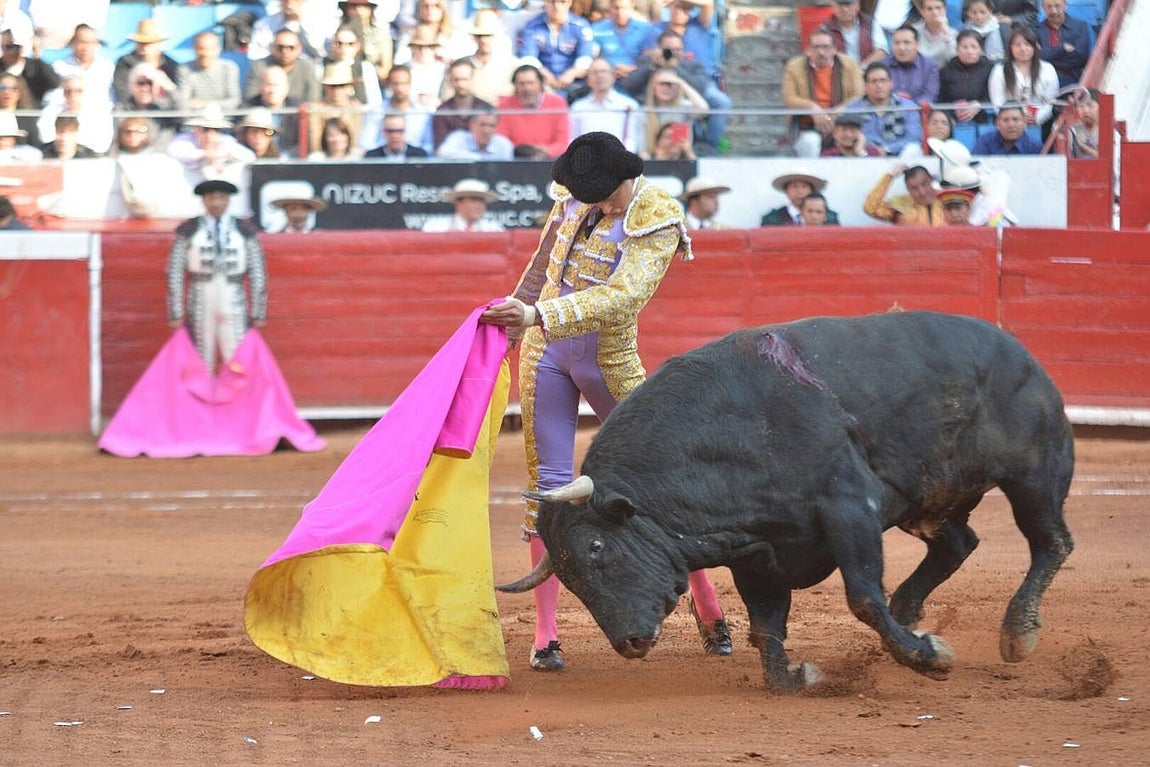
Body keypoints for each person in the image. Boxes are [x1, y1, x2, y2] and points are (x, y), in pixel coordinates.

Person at [478, 132, 731, 672]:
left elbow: (625, 296)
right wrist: (516, 314)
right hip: (545, 353)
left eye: (599, 192)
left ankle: (709, 610)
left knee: (662, 487)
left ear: (623, 177)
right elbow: (543, 266)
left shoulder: (656, 213)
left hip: (609, 363)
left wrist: (538, 316)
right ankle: (546, 635)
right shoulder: (572, 199)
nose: (589, 202)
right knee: (545, 488)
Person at [168, 180, 267, 372]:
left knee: (236, 352)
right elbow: (175, 271)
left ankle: (236, 400)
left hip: (234, 294)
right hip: (200, 294)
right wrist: (176, 311)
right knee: (200, 353)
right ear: (203, 200)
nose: (216, 203)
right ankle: (202, 399)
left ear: (228, 200)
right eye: (211, 198)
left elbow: (257, 271)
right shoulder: (188, 229)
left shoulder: (244, 229)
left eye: (221, 197)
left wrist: (258, 311)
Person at [781, 28, 864, 158]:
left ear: (834, 49)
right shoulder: (794, 66)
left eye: (826, 47)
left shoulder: (849, 64)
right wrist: (813, 108)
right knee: (810, 143)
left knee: (860, 142)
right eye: (816, 47)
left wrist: (836, 113)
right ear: (808, 50)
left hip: (844, 124)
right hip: (809, 126)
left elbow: (859, 95)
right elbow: (789, 98)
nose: (821, 52)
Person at [515, 0, 594, 99]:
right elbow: (528, 57)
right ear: (546, 2)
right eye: (552, 2)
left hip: (574, 83)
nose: (557, 6)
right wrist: (546, 76)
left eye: (562, 2)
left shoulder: (581, 25)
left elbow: (586, 58)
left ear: (569, 2)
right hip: (542, 82)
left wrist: (570, 74)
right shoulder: (533, 26)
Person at [846, 62, 923, 156]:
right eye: (874, 81)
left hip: (899, 155)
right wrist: (872, 151)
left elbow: (914, 137)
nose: (879, 85)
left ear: (891, 84)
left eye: (883, 80)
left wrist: (887, 149)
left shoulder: (907, 106)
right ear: (865, 86)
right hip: (866, 156)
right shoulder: (853, 108)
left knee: (913, 148)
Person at [568, 56, 643, 152]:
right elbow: (572, 139)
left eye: (603, 72)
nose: (599, 76)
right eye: (594, 73)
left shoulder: (629, 105)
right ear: (588, 80)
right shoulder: (578, 108)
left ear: (613, 76)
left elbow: (632, 139)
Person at [987, 26, 1058, 126]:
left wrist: (1037, 117)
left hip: (1041, 122)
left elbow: (1051, 101)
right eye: (1018, 45)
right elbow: (997, 102)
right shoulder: (999, 70)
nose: (1023, 49)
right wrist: (1017, 118)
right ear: (1010, 47)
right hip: (1009, 122)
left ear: (1035, 47)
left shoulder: (1048, 68)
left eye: (1027, 44)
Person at [496, 64, 570, 158]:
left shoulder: (558, 104)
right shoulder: (505, 106)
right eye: (522, 84)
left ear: (540, 83)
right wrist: (524, 152)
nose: (527, 88)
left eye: (531, 83)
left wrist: (546, 151)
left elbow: (562, 141)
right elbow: (502, 140)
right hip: (516, 159)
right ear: (515, 85)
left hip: (550, 161)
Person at [112, 19, 181, 107]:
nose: (145, 48)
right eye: (141, 43)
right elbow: (122, 94)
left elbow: (179, 99)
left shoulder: (171, 65)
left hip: (164, 114)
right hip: (133, 113)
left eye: (150, 43)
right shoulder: (125, 63)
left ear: (159, 44)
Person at [641, 67, 708, 157]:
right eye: (662, 84)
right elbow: (642, 149)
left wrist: (681, 82)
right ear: (653, 86)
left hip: (679, 158)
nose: (666, 88)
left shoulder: (684, 107)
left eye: (671, 85)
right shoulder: (644, 112)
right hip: (652, 157)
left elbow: (704, 110)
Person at [245, 29, 322, 105]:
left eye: (291, 48)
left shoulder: (307, 67)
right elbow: (250, 99)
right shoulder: (259, 66)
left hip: (299, 115)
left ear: (299, 49)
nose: (285, 52)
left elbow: (313, 101)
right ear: (272, 47)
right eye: (280, 47)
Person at [432, 58, 494, 150]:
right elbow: (440, 148)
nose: (460, 84)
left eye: (464, 79)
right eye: (456, 80)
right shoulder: (443, 111)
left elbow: (494, 142)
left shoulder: (487, 109)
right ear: (450, 81)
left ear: (472, 79)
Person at [1030, 0, 1093, 89]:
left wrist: (1048, 56)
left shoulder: (1080, 26)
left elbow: (1081, 58)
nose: (1054, 11)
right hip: (1043, 78)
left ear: (1065, 6)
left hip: (1072, 78)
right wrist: (1062, 48)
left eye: (1057, 6)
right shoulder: (1035, 30)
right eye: (1049, 7)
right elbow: (1036, 57)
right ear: (1043, 8)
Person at [939, 28, 994, 124]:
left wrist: (979, 105)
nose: (969, 51)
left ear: (980, 50)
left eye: (974, 47)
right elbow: (941, 99)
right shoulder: (946, 71)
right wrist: (952, 110)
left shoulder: (990, 68)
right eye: (964, 47)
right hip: (953, 119)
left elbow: (994, 95)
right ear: (957, 49)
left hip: (983, 117)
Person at [863, 161, 945, 225]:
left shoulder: (947, 199)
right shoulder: (901, 206)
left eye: (924, 184)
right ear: (908, 190)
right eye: (914, 188)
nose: (922, 192)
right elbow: (870, 207)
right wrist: (890, 176)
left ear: (931, 180)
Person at [244, 65, 302, 157]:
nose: (272, 90)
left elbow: (301, 143)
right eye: (268, 85)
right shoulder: (247, 108)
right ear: (260, 86)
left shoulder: (297, 110)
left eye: (276, 85)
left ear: (286, 88)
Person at [178, 30, 242, 112]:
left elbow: (234, 101)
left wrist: (207, 104)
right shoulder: (185, 69)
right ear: (194, 49)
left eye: (210, 49)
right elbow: (183, 103)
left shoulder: (229, 68)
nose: (205, 53)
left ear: (218, 50)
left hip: (223, 118)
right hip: (194, 119)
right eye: (201, 48)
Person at [882, 25, 940, 103]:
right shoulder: (882, 66)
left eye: (906, 43)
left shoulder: (929, 66)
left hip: (919, 112)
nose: (901, 48)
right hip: (889, 111)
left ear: (917, 45)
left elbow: (929, 96)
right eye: (897, 43)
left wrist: (907, 104)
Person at [761, 168, 841, 225]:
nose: (800, 192)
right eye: (794, 187)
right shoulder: (772, 219)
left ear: (812, 191)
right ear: (786, 191)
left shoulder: (830, 217)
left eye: (804, 186)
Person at [1, 28, 59, 106]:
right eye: (9, 47)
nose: (13, 51)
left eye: (17, 47)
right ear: (2, 47)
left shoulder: (36, 67)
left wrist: (37, 56)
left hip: (31, 114)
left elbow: (55, 83)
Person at [821, 0, 888, 67]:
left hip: (867, 71)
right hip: (838, 73)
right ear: (833, 6)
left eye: (848, 5)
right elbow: (821, 53)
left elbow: (881, 51)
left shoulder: (870, 23)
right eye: (840, 5)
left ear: (857, 5)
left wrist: (861, 68)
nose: (845, 9)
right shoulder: (825, 27)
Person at [422, 178, 504, 232]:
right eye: (474, 200)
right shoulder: (436, 228)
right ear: (459, 204)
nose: (479, 206)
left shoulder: (494, 229)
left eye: (482, 201)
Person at [436, 107, 514, 160]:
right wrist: (478, 159)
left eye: (491, 126)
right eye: (482, 125)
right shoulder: (458, 137)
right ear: (471, 125)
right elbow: (442, 153)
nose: (486, 130)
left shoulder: (503, 144)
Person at [972, 101, 1043, 154]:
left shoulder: (1034, 146)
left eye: (1015, 119)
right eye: (1006, 120)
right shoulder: (985, 142)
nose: (1011, 125)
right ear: (998, 123)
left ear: (1024, 121)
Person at [364, 112, 431, 159]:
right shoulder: (372, 157)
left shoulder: (419, 156)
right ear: (383, 132)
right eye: (390, 131)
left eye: (399, 131)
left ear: (405, 131)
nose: (395, 135)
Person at [912, 0, 957, 68]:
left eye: (938, 8)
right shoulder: (913, 31)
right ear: (922, 12)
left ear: (945, 10)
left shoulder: (954, 34)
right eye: (929, 9)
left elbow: (955, 60)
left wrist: (946, 34)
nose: (935, 12)